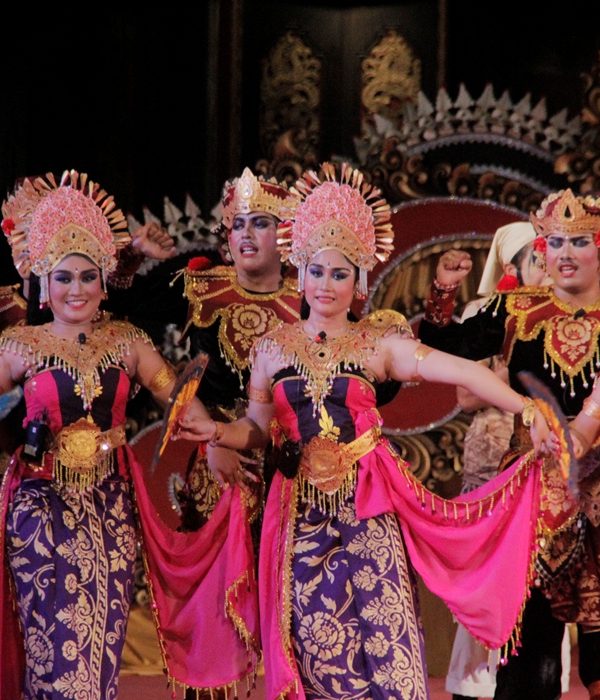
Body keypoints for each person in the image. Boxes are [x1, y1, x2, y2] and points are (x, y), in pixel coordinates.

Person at [177, 162, 560, 700]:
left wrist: (526, 408)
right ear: (301, 272)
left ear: (358, 281)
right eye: (317, 271)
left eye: (340, 274)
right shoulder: (272, 350)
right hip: (300, 520)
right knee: (320, 651)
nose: (326, 285)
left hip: (368, 511)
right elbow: (257, 431)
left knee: (388, 648)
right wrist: (216, 432)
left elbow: (461, 370)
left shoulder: (377, 344)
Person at [0, 171, 256, 699]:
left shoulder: (128, 342)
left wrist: (214, 435)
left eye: (87, 276)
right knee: (52, 649)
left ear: (104, 280)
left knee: (102, 644)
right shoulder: (20, 346)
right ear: (44, 282)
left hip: (110, 508)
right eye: (64, 277)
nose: (76, 289)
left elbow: (178, 398)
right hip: (40, 511)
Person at [419, 188, 600, 699]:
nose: (564, 254)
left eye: (579, 241)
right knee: (532, 638)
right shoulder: (518, 309)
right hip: (534, 488)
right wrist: (443, 291)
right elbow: (447, 345)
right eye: (555, 242)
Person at [178, 167, 301, 527]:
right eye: (238, 224)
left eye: (260, 223)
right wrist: (214, 444)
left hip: (291, 463)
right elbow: (180, 382)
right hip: (220, 461)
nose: (245, 233)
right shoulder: (204, 291)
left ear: (285, 237)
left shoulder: (311, 298)